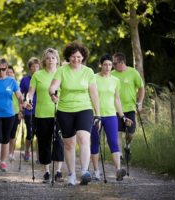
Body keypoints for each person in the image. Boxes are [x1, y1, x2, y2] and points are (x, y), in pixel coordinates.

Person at [49, 42, 101, 186]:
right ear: (68, 57)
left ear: (83, 57)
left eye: (79, 56)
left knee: (84, 138)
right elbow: (53, 86)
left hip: (84, 108)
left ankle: (84, 171)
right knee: (69, 144)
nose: (76, 59)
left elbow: (94, 94)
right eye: (73, 56)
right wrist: (53, 94)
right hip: (65, 110)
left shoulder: (88, 71)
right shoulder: (61, 70)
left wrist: (98, 115)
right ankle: (71, 174)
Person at [90, 54, 133, 182]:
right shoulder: (94, 78)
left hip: (111, 115)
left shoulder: (115, 80)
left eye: (110, 64)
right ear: (101, 65)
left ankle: (118, 170)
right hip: (95, 115)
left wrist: (122, 116)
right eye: (105, 64)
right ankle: (96, 171)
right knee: (95, 143)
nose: (108, 67)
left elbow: (117, 99)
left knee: (113, 142)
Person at [26, 48, 64, 183]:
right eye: (48, 58)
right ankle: (46, 172)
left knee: (59, 141)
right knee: (44, 142)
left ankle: (58, 171)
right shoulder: (37, 75)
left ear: (57, 60)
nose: (50, 60)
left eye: (53, 58)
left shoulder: (62, 73)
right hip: (42, 113)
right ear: (44, 60)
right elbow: (30, 93)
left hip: (59, 112)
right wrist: (28, 100)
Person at [110, 52, 145, 161]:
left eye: (114, 63)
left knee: (130, 134)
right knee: (118, 133)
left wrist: (139, 103)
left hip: (130, 108)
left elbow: (141, 88)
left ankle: (127, 145)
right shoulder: (111, 74)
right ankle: (119, 155)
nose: (112, 66)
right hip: (115, 108)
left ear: (122, 63)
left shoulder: (133, 73)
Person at [20, 58, 40, 163]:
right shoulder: (24, 80)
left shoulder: (42, 78)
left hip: (41, 110)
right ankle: (27, 151)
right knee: (30, 133)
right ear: (29, 68)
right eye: (33, 66)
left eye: (37, 66)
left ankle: (38, 156)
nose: (35, 68)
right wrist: (21, 108)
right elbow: (20, 95)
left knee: (39, 134)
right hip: (29, 110)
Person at [7, 66, 21, 162]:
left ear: (14, 74)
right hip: (5, 113)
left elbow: (20, 99)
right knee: (5, 134)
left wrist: (21, 111)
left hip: (15, 112)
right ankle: (3, 153)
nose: (9, 74)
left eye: (11, 72)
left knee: (13, 134)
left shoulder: (17, 84)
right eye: (7, 72)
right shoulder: (2, 84)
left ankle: (11, 153)